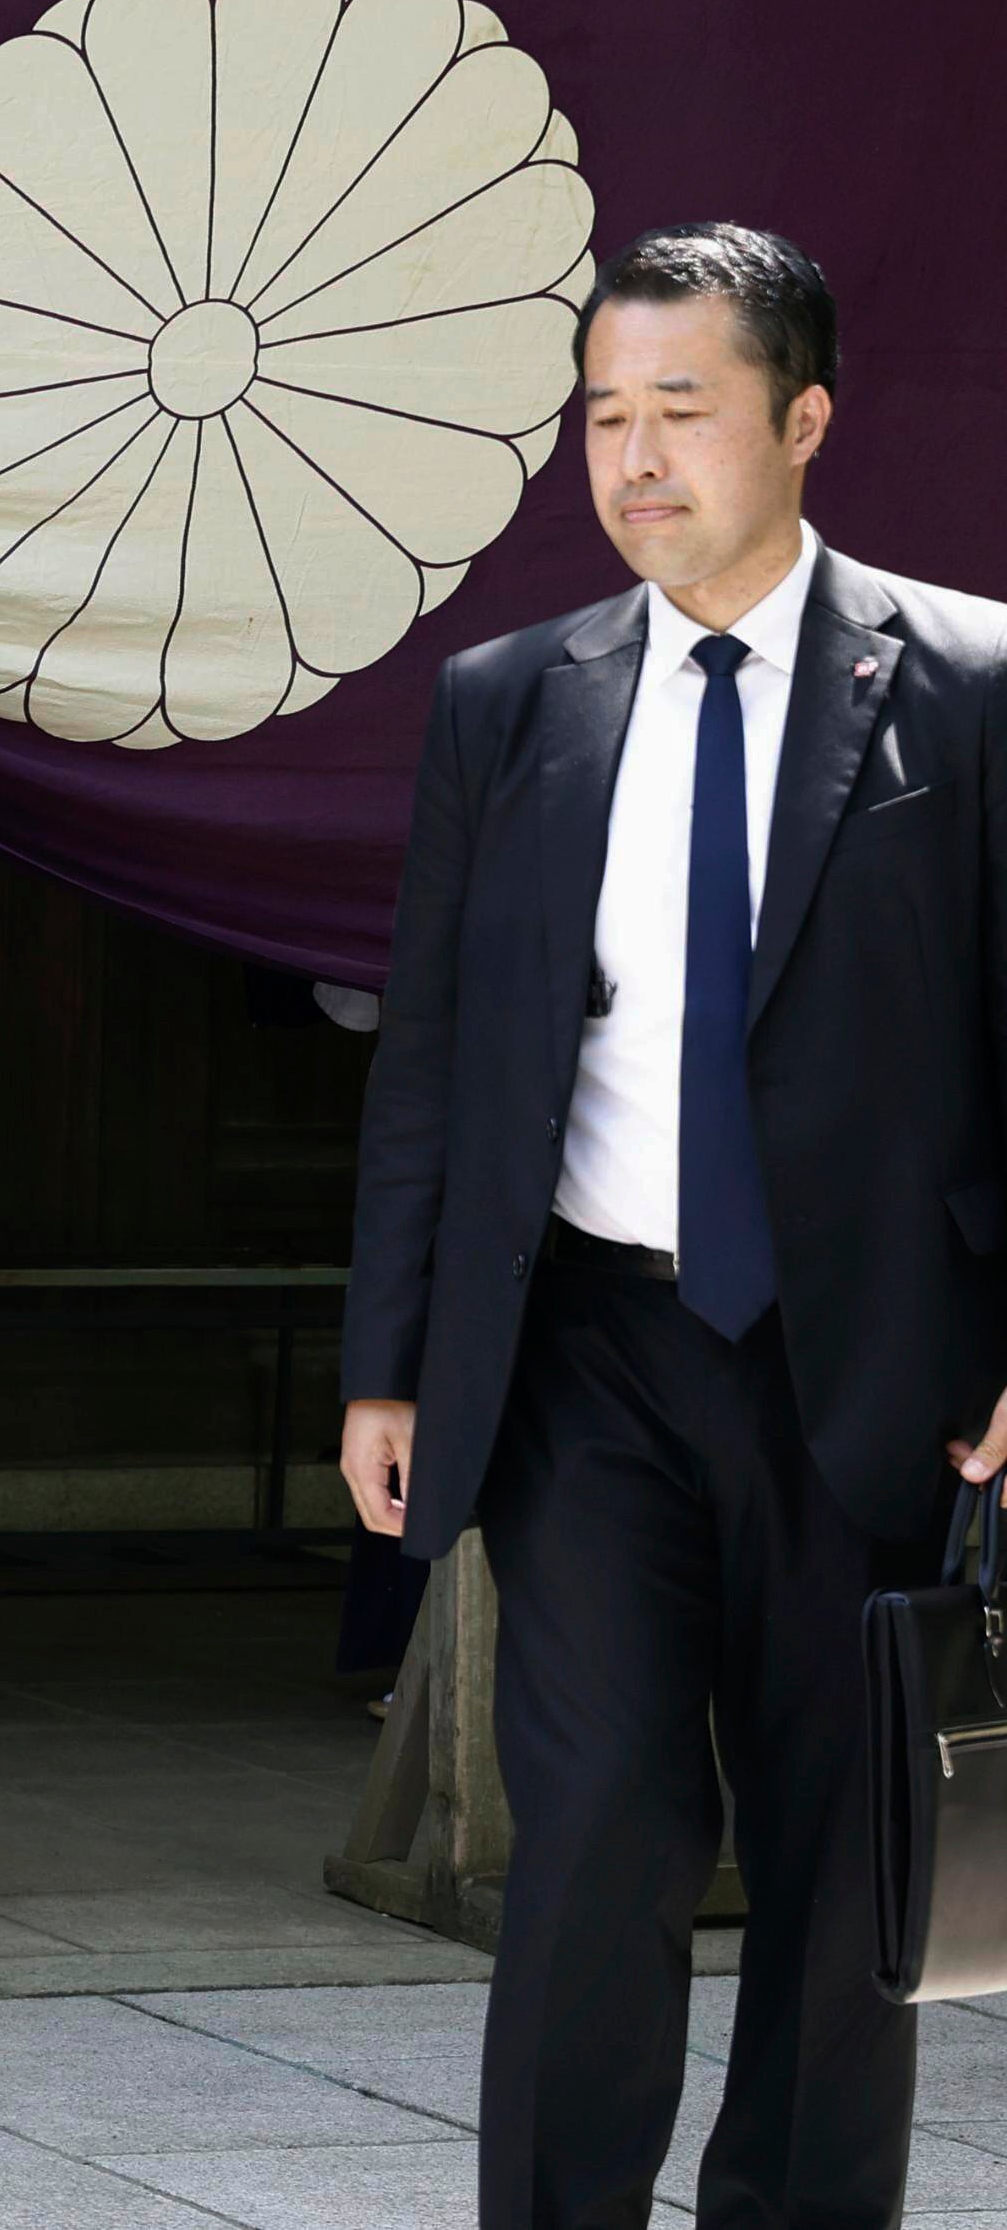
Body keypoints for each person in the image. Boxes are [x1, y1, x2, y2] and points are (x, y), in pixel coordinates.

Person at [342, 224, 1007, 2230]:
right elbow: (439, 1056)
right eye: (603, 418)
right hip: (587, 1354)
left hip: (865, 1350)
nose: (633, 461)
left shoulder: (969, 680)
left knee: (838, 1860)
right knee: (600, 1826)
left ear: (801, 419)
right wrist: (386, 1351)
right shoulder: (509, 698)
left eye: (681, 413)